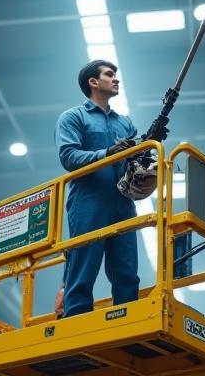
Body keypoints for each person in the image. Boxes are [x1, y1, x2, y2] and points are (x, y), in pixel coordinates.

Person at [54, 59, 140, 317]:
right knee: (84, 264)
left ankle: (127, 318)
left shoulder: (125, 123)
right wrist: (107, 153)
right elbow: (68, 156)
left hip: (123, 201)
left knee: (126, 267)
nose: (116, 79)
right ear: (93, 82)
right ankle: (77, 320)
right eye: (110, 74)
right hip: (88, 200)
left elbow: (135, 161)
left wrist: (147, 154)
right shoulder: (73, 117)